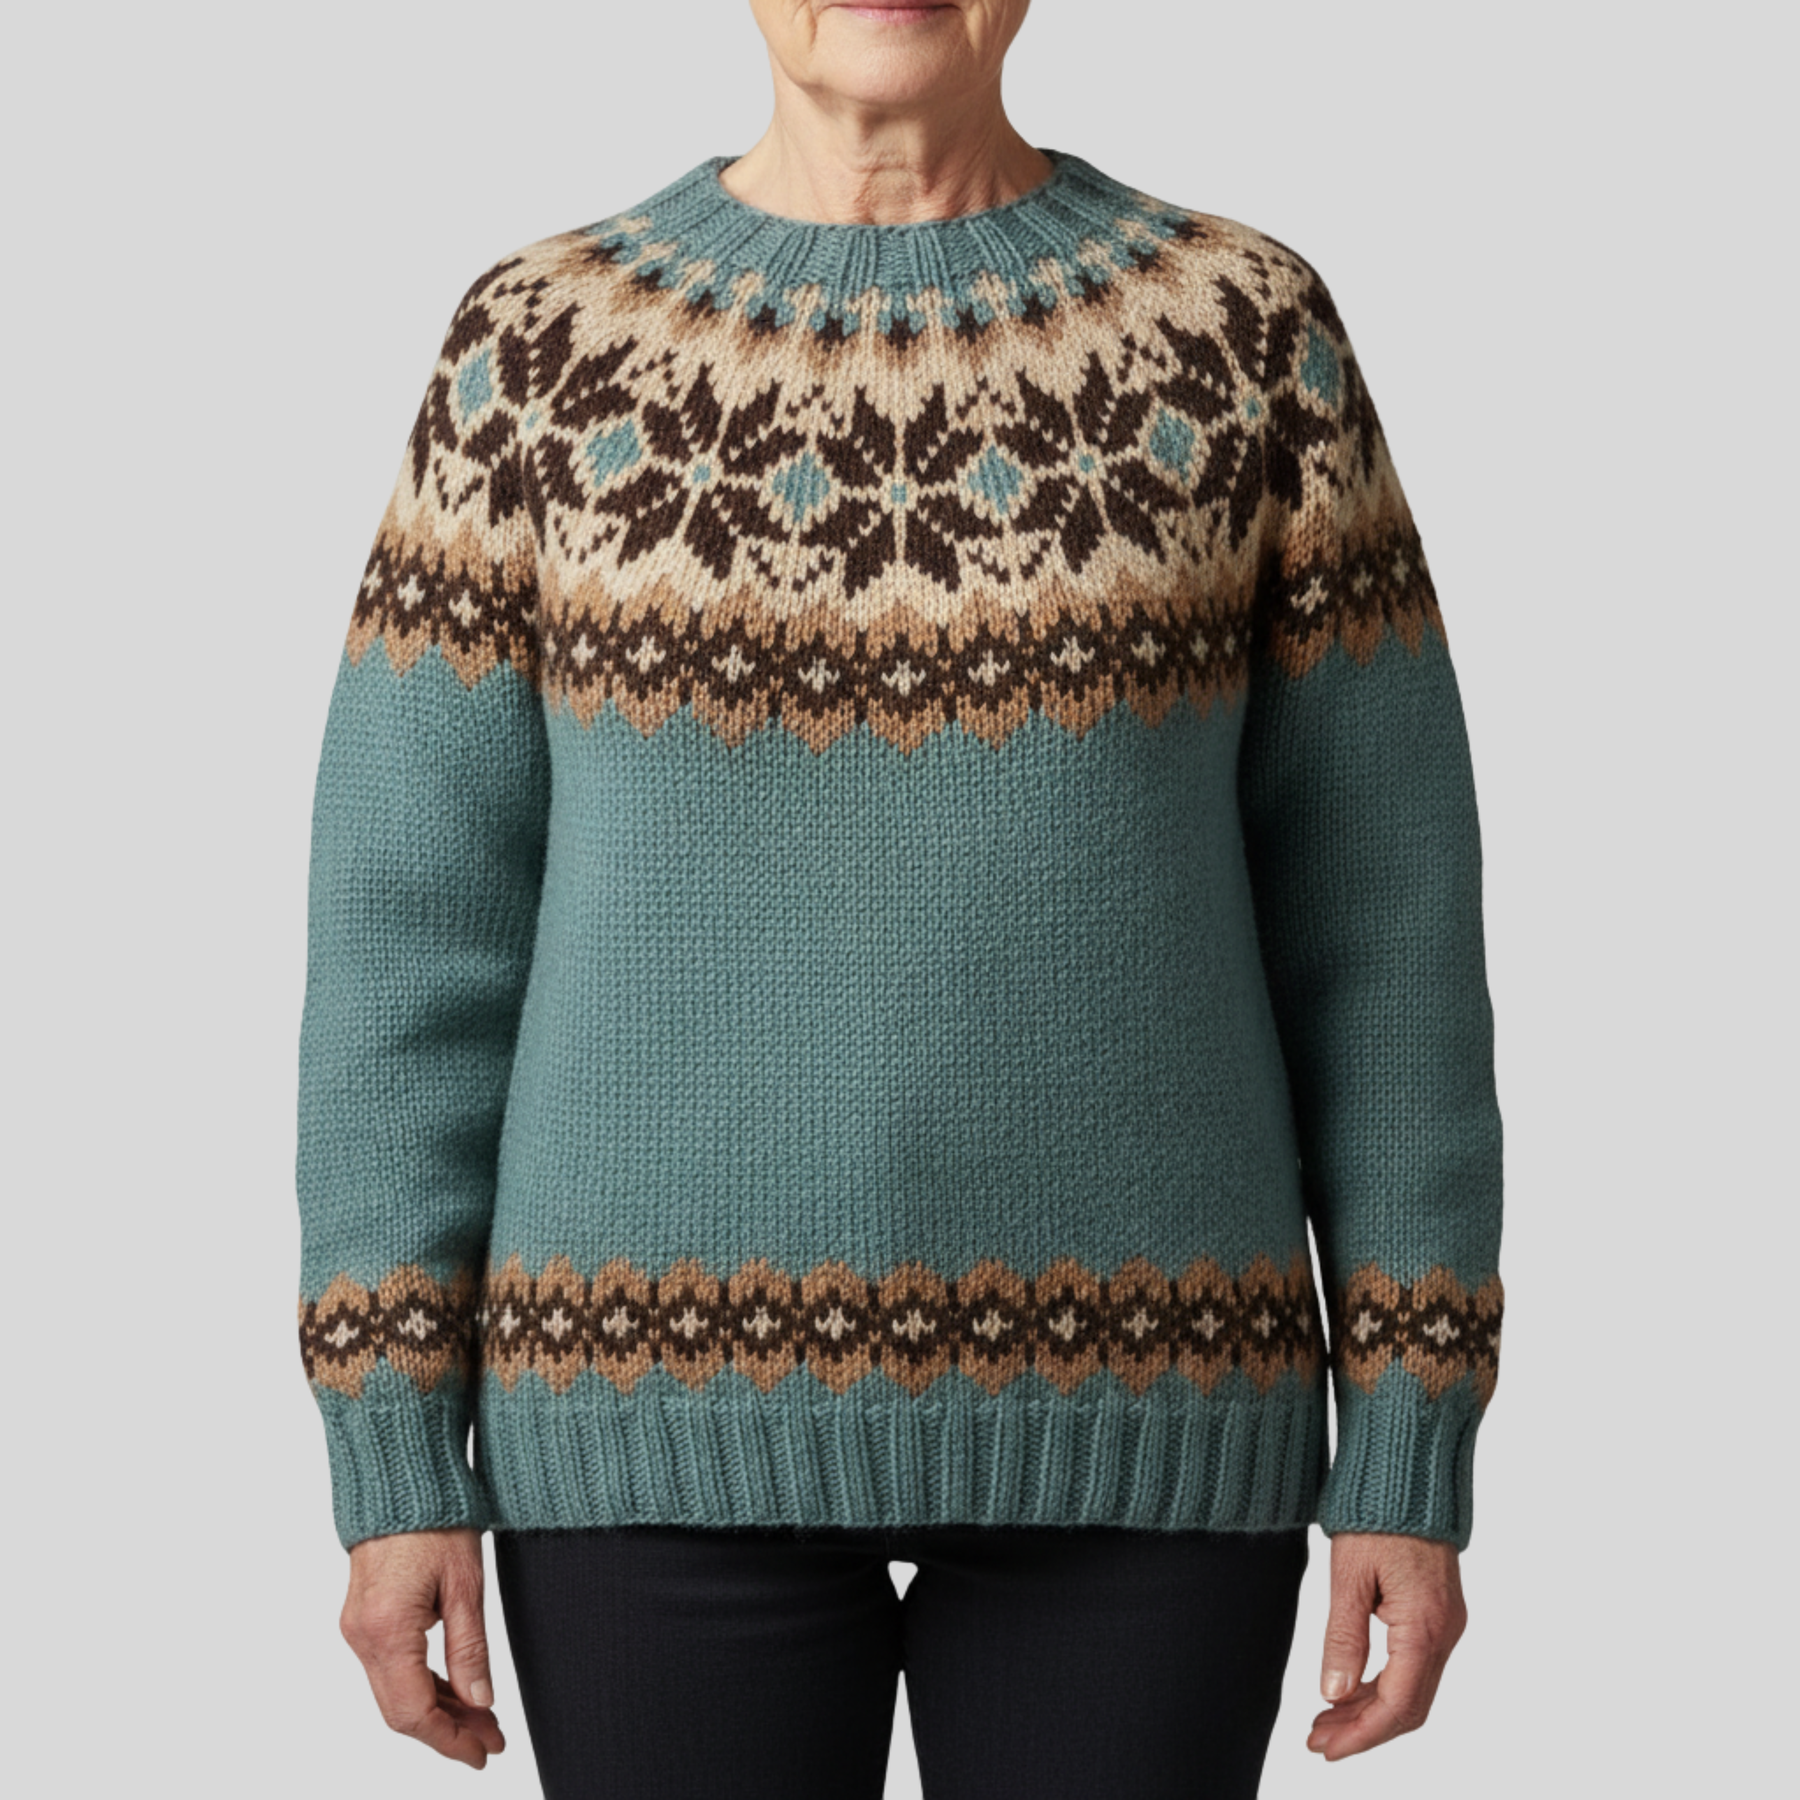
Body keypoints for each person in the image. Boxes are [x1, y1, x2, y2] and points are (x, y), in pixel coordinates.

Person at [295, 2, 1505, 1794]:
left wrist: (1411, 1432)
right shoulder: (539, 352)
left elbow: (1384, 933)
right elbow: (409, 946)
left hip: (1155, 1420)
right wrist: (390, 1450)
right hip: (640, 1421)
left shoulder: (1243, 334)